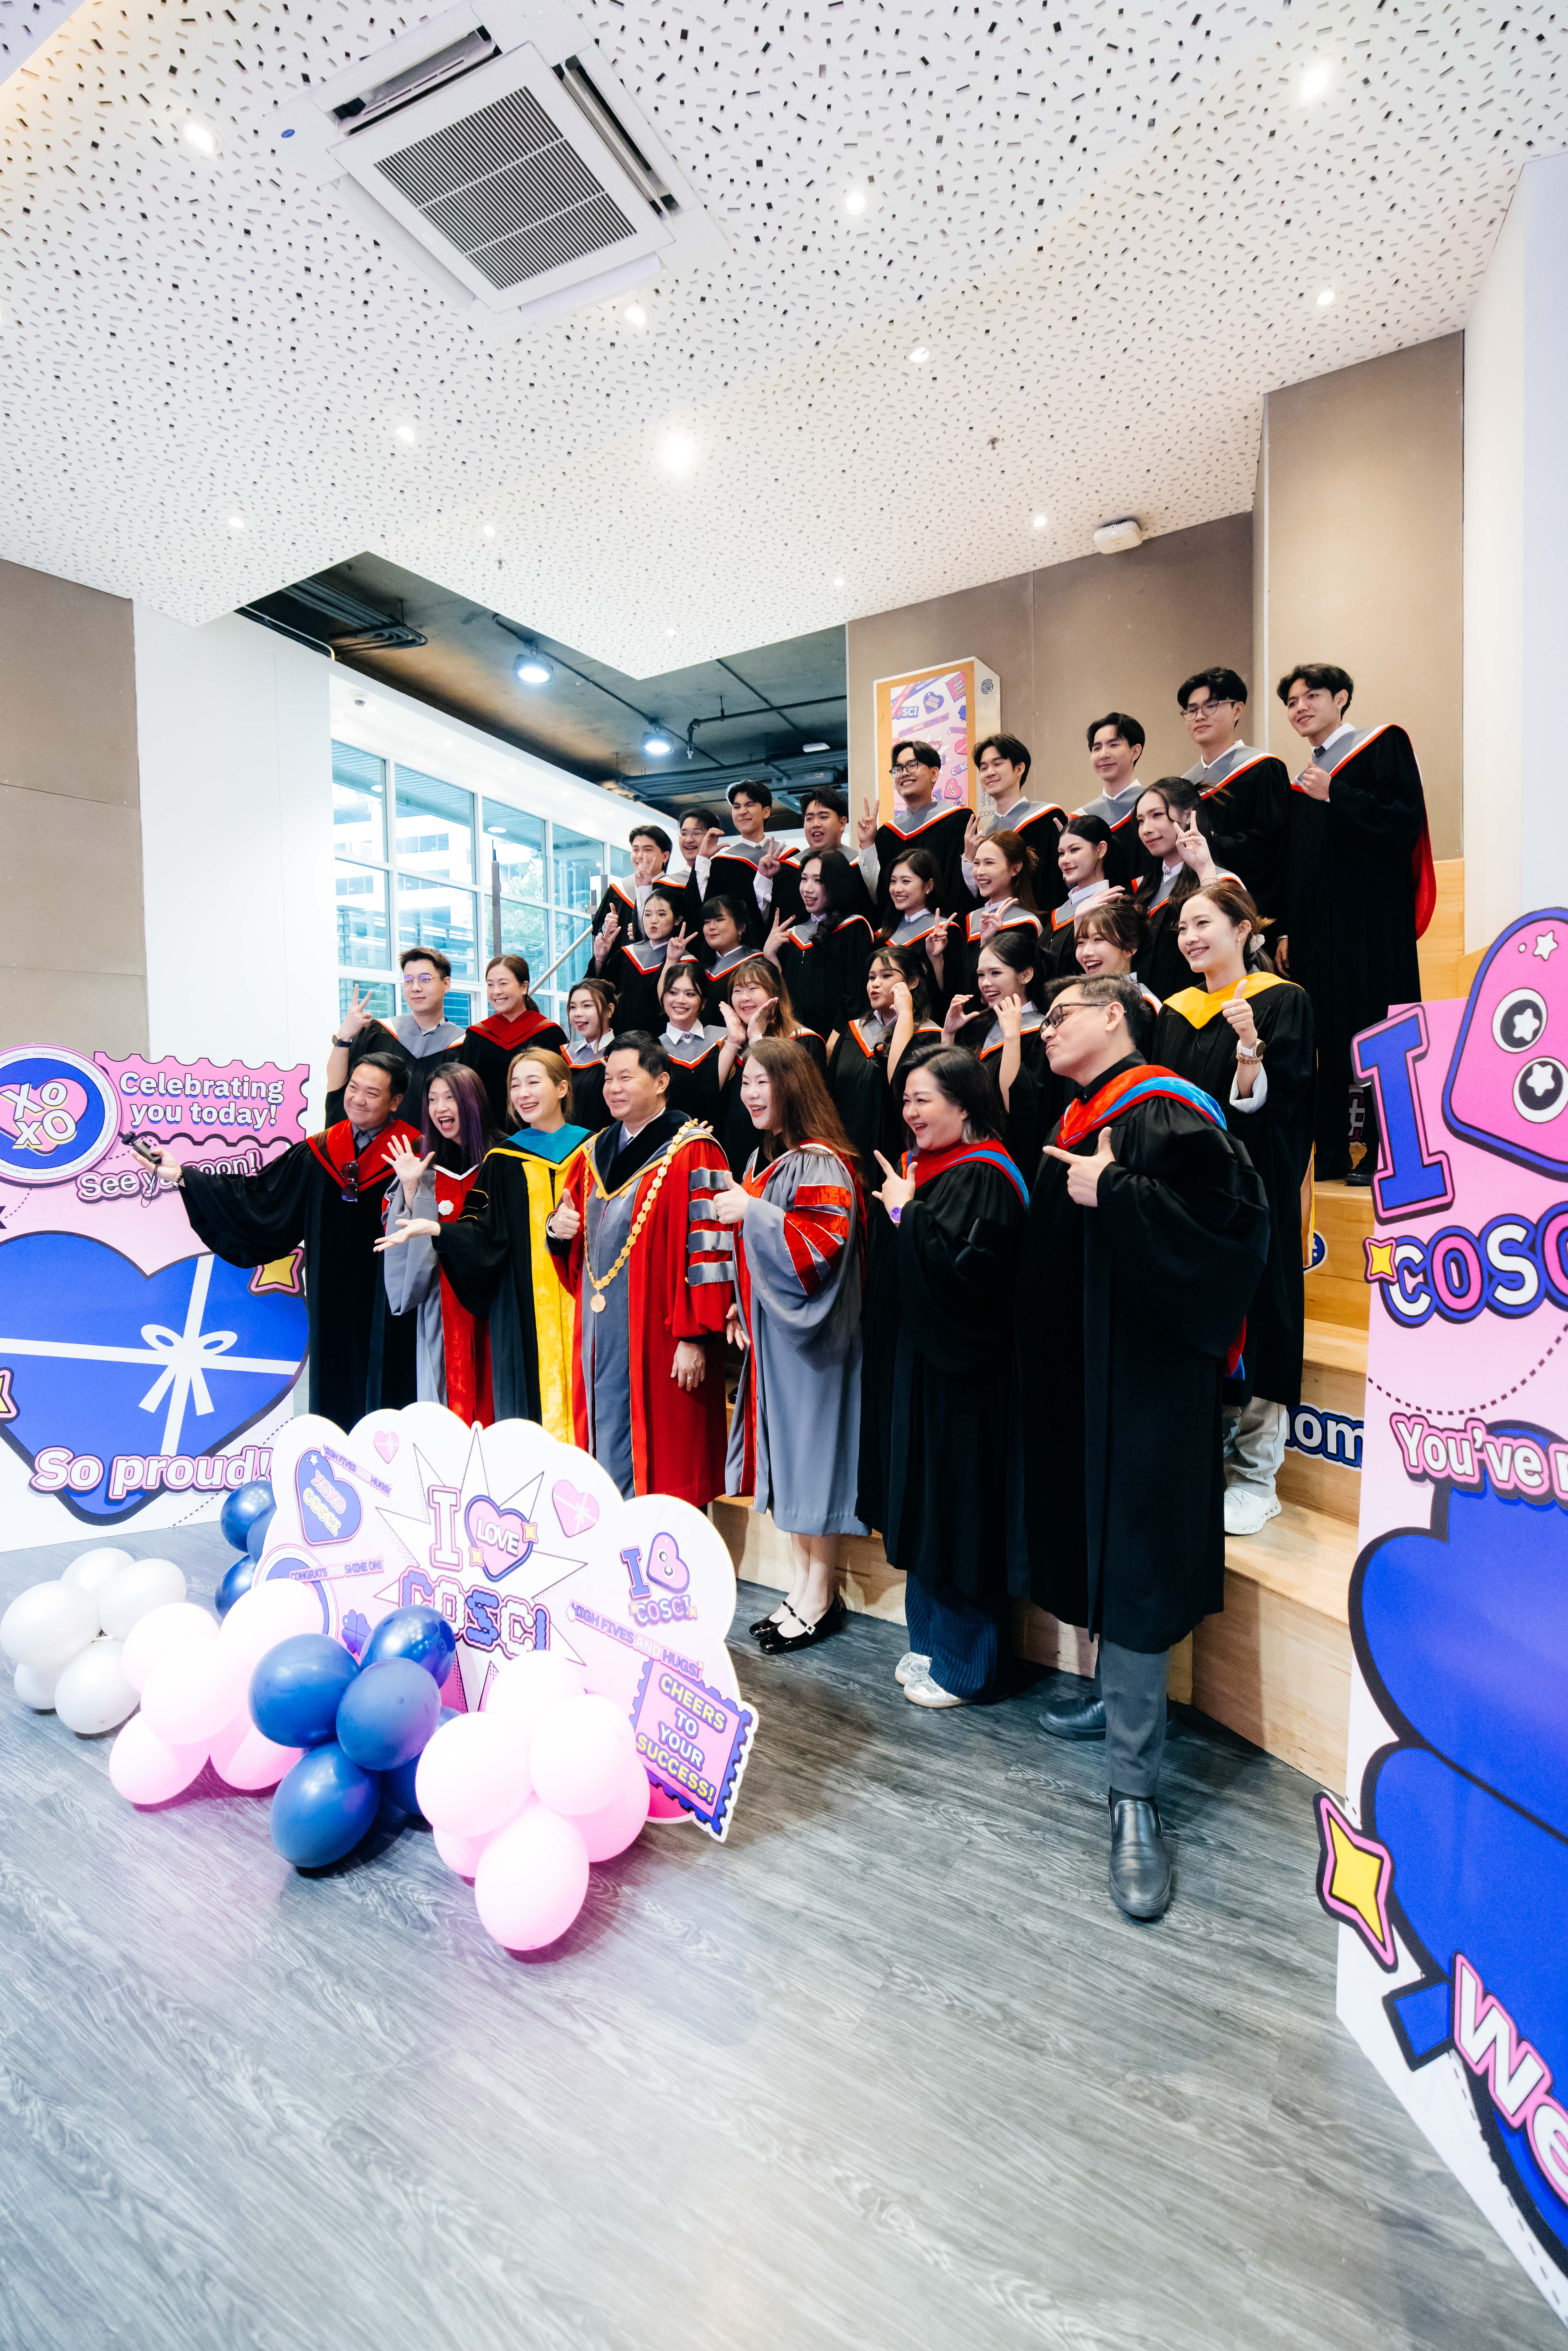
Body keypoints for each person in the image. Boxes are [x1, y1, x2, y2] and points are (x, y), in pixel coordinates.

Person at [1020, 974, 1269, 1920]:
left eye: (1060, 1015)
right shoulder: (1078, 1112)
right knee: (1096, 1543)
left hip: (1146, 1390)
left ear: (1114, 1017)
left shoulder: (1164, 1108)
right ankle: (1110, 1698)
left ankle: (1135, 1796)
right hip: (1084, 1383)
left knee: (1132, 1563)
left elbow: (1237, 1230)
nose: (1045, 1029)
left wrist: (1117, 1190)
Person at [135, 1048, 422, 1426]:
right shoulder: (321, 1150)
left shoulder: (416, 1152)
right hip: (331, 1295)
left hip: (392, 1296)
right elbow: (260, 1196)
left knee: (393, 1382)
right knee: (335, 1383)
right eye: (353, 1088)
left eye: (372, 1093)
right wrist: (182, 1175)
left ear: (396, 1101)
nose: (357, 1099)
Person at [865, 1050, 1029, 1708]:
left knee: (957, 1511)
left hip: (966, 1381)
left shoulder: (985, 1174)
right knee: (923, 1504)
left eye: (924, 1099)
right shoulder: (926, 1169)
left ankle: (969, 1666)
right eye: (906, 1100)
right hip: (922, 1369)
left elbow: (970, 1280)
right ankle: (930, 1641)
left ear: (964, 1104)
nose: (910, 1112)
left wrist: (908, 1216)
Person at [1155, 880, 1314, 1535]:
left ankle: (1256, 1475)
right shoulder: (1174, 1011)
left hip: (1253, 1191)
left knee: (1262, 1321)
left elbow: (1285, 1107)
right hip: (1187, 1198)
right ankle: (1204, 1461)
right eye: (1182, 928)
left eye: (1203, 924)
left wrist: (1249, 1047)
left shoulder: (1281, 1001)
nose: (1189, 938)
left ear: (1243, 930)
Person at [710, 1037, 867, 1652]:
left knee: (813, 1466)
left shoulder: (820, 1163)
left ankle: (819, 1596)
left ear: (792, 1086)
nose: (750, 1093)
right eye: (745, 1082)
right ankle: (801, 1587)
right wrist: (739, 1299)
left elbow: (816, 1252)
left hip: (815, 1346)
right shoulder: (772, 1158)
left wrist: (752, 1210)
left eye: (762, 1082)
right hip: (779, 1340)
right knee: (793, 1465)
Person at [545, 1033, 735, 1504]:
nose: (612, 1088)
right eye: (608, 1078)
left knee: (667, 1463)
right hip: (600, 1330)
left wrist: (694, 1337)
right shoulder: (593, 1153)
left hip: (664, 1334)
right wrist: (558, 1231)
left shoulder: (693, 1150)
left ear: (661, 1081)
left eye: (625, 1077)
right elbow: (574, 1237)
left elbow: (710, 1250)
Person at [1275, 661, 1435, 1182]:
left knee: (1376, 1028)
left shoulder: (1382, 745)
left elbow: (1403, 820)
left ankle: (1389, 1153)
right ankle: (1332, 1150)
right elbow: (1295, 866)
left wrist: (1337, 795)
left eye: (1311, 696)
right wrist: (1286, 930)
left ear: (1340, 698)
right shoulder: (1300, 783)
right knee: (1324, 1035)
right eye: (1291, 702)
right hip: (1317, 936)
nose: (1300, 708)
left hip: (1371, 928)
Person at [382, 1047, 592, 1442]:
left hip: (585, 1298)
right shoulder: (505, 1159)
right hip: (518, 1306)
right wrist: (437, 1226)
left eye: (533, 1082)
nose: (523, 1093)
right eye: (515, 1085)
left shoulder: (594, 1149)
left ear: (563, 1087)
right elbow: (484, 1233)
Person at [376, 1061, 501, 1417]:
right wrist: (411, 1186)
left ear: (473, 1101)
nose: (440, 1108)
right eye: (432, 1099)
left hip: (496, 1297)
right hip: (440, 1295)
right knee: (442, 1393)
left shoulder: (504, 1155)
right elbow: (405, 1227)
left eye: (450, 1098)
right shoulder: (423, 1160)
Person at [1177, 667, 1291, 916]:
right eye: (1191, 710)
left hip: (1249, 903)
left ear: (1238, 710)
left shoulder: (1263, 768)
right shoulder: (1184, 786)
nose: (1199, 716)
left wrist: (1208, 846)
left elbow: (1272, 844)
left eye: (1211, 706)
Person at [825, 944, 942, 1178]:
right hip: (846, 1156)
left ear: (912, 982)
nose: (875, 984)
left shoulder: (929, 1037)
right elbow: (831, 1095)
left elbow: (901, 1087)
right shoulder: (852, 1032)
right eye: (871, 978)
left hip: (898, 1155)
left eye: (886, 976)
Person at [945, 931, 1053, 1180]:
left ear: (1026, 975)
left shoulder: (1043, 1032)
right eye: (981, 975)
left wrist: (1012, 1036)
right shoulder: (977, 1025)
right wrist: (949, 1035)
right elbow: (952, 1090)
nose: (985, 983)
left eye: (995, 973)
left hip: (1009, 1159)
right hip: (966, 1156)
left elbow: (1018, 1106)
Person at [327, 949, 464, 1127]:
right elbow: (338, 1088)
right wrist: (344, 1036)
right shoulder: (379, 1032)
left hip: (436, 1141)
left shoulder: (464, 1044)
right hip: (377, 1140)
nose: (415, 988)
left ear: (446, 984)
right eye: (408, 980)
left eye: (425, 979)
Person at [1128, 780, 1238, 1000]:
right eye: (1141, 821)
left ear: (1188, 815)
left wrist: (1204, 870)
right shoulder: (1142, 889)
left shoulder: (1220, 881)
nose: (1146, 829)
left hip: (1201, 1004)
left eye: (1157, 815)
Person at [716, 956, 827, 1172]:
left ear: (775, 992)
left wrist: (757, 1039)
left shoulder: (803, 1041)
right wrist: (734, 1042)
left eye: (753, 988)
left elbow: (798, 1103)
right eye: (737, 991)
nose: (744, 998)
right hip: (733, 1153)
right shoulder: (731, 1044)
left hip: (783, 1155)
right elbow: (711, 1098)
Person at [765, 848, 874, 1046]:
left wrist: (837, 1036)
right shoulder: (794, 933)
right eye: (804, 879)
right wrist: (771, 955)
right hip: (797, 1038)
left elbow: (856, 991)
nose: (807, 889)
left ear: (837, 884)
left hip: (838, 1040)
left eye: (818, 880)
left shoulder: (854, 928)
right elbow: (785, 992)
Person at [856, 739, 971, 921]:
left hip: (943, 928)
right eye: (899, 769)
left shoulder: (959, 820)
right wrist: (868, 844)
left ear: (934, 773)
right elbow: (878, 894)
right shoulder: (887, 834)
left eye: (912, 765)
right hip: (898, 931)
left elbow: (962, 887)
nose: (904, 774)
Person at [931, 828, 1042, 1002]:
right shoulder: (971, 920)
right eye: (977, 864)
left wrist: (988, 943)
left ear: (1015, 868)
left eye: (989, 863)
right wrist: (936, 958)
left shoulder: (1026, 923)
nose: (980, 872)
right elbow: (962, 988)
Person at [460, 953, 566, 1128]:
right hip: (485, 1133)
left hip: (540, 1131)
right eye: (490, 985)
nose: (496, 991)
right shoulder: (477, 1036)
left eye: (503, 984)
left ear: (524, 987)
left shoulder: (549, 1033)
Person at [960, 733, 1066, 906]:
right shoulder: (984, 837)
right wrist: (969, 859)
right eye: (984, 768)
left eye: (997, 764)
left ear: (1019, 769)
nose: (990, 773)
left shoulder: (1048, 817)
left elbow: (1056, 881)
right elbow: (978, 899)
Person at [707, 779, 801, 941]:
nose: (742, 812)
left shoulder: (790, 857)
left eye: (750, 805)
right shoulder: (722, 864)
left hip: (787, 944)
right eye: (737, 807)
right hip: (743, 948)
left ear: (766, 812)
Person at [595, 881, 684, 1032]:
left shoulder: (685, 962)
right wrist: (600, 958)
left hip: (661, 1042)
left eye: (662, 914)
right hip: (621, 1040)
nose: (653, 921)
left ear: (678, 919)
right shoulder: (626, 955)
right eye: (648, 915)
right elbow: (602, 992)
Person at [1073, 712, 1146, 882]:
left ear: (1135, 752)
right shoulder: (1081, 818)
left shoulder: (1157, 805)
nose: (1103, 755)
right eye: (1097, 748)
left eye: (1114, 745)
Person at [656, 960, 728, 1128]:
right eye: (673, 993)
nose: (681, 1000)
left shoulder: (725, 1038)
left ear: (703, 1003)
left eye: (691, 994)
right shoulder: (654, 1050)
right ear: (663, 998)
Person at [1042, 815, 1118, 972]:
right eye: (1061, 853)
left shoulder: (1112, 907)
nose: (1065, 860)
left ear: (1101, 849)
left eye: (1074, 850)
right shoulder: (1061, 911)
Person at [799, 785, 875, 919]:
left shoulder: (858, 865)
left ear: (842, 823)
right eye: (809, 819)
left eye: (823, 817)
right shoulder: (792, 867)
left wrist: (867, 844)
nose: (815, 824)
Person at [590, 823, 674, 944]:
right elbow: (597, 931)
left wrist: (641, 932)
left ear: (665, 856)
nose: (640, 856)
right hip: (622, 956)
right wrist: (606, 928)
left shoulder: (676, 890)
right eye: (636, 850)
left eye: (648, 850)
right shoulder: (618, 890)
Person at [563, 976, 617, 1133]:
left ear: (609, 1010)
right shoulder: (565, 1055)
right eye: (573, 1007)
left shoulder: (621, 1055)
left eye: (587, 1006)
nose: (578, 1014)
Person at [876, 845, 944, 956]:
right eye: (893, 881)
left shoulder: (942, 932)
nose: (897, 889)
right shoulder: (884, 934)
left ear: (929, 886)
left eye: (906, 881)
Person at [669, 806, 725, 911]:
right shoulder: (666, 885)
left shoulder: (725, 880)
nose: (689, 840)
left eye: (696, 833)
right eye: (684, 834)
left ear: (713, 838)